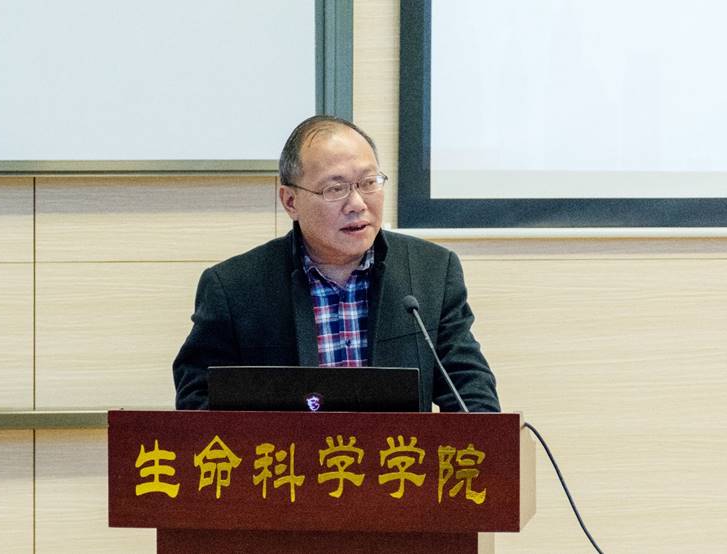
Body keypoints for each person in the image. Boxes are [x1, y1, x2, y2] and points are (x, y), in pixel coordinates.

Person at [173, 115, 499, 412]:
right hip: (285, 458)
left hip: (398, 457)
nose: (357, 204)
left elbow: (472, 396)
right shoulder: (235, 287)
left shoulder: (432, 273)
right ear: (290, 201)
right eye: (335, 188)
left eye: (369, 183)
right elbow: (198, 402)